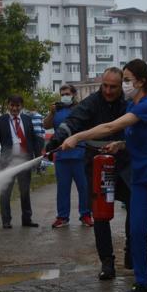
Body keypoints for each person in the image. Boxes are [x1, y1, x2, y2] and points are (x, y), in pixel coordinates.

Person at [60, 59, 147, 292]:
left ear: (141, 82)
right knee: (137, 231)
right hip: (142, 179)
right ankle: (141, 282)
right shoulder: (134, 107)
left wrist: (77, 136)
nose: (124, 85)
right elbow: (137, 136)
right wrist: (121, 144)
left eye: (127, 80)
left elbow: (111, 126)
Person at [47, 67, 131, 281]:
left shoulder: (129, 103)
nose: (109, 91)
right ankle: (107, 262)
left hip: (124, 161)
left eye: (113, 87)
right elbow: (73, 121)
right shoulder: (92, 102)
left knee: (135, 206)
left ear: (121, 86)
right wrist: (57, 140)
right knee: (100, 214)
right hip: (96, 163)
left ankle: (133, 254)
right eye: (105, 86)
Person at [0, 95, 41, 229]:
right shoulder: (0, 121)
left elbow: (34, 140)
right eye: (12, 105)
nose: (14, 108)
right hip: (7, 163)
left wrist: (37, 158)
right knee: (6, 192)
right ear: (8, 105)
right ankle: (6, 221)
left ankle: (27, 219)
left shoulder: (27, 120)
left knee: (25, 191)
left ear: (21, 106)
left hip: (25, 161)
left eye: (17, 106)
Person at [45, 84, 92, 228]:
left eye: (67, 93)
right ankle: (62, 217)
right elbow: (46, 125)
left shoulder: (81, 109)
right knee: (62, 189)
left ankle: (85, 215)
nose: (64, 96)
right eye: (62, 94)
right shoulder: (57, 110)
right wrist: (51, 113)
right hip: (61, 156)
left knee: (84, 187)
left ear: (73, 94)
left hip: (80, 154)